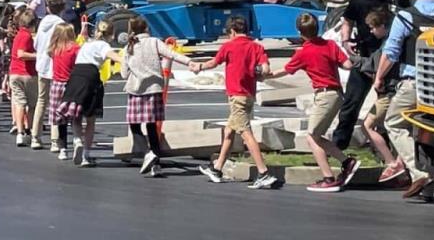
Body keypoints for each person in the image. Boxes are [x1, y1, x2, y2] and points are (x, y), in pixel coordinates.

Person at [378, 0, 434, 202]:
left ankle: (419, 172)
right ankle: (431, 184)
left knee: (393, 122)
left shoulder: (405, 17)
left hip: (416, 83)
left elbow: (391, 52)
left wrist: (379, 78)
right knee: (431, 131)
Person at [266, 13, 358, 192]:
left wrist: (265, 75)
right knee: (317, 134)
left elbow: (285, 71)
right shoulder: (330, 45)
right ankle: (346, 162)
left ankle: (329, 176)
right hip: (337, 94)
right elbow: (347, 65)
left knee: (312, 136)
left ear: (300, 33)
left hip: (324, 95)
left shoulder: (303, 52)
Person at [332, 0, 409, 150]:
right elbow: (347, 20)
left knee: (387, 107)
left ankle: (385, 147)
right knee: (351, 102)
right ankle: (339, 145)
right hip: (365, 58)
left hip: (390, 61)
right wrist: (346, 40)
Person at [191, 17, 278, 190]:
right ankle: (216, 169)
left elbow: (213, 62)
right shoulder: (256, 47)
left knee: (246, 134)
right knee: (229, 131)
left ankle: (263, 173)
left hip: (236, 96)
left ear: (231, 31)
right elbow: (266, 69)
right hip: (249, 95)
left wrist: (198, 68)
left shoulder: (229, 46)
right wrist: (258, 72)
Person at [121, 17, 192, 177]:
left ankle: (148, 153)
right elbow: (171, 54)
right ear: (146, 28)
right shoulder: (154, 42)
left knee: (134, 124)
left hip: (136, 90)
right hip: (154, 88)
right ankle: (156, 163)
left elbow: (124, 73)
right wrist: (190, 62)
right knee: (152, 126)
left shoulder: (129, 47)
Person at [56, 21, 123, 167]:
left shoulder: (87, 44)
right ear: (111, 34)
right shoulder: (104, 45)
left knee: (76, 115)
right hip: (91, 76)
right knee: (90, 119)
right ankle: (86, 155)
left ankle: (77, 140)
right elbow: (113, 56)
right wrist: (126, 60)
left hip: (76, 75)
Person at [357, 8, 405, 183]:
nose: (371, 31)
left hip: (388, 93)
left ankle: (391, 162)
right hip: (398, 91)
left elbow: (375, 66)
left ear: (383, 26)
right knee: (401, 128)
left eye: (373, 27)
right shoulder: (398, 41)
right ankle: (400, 162)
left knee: (367, 125)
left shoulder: (387, 46)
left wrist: (355, 61)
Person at [31, 0, 67, 151]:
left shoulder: (42, 24)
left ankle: (35, 137)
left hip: (42, 66)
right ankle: (54, 140)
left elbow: (36, 44)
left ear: (47, 8)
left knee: (41, 101)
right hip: (56, 67)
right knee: (56, 104)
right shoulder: (61, 25)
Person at [47, 23, 79, 160]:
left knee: (60, 119)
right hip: (71, 84)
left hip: (56, 85)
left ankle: (63, 149)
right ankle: (77, 140)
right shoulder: (75, 49)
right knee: (75, 115)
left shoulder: (54, 49)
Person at [9, 9, 38, 147]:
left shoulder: (19, 35)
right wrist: (38, 56)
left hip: (14, 73)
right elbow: (21, 54)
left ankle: (20, 133)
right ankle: (30, 131)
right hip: (26, 73)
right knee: (32, 105)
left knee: (20, 103)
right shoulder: (26, 36)